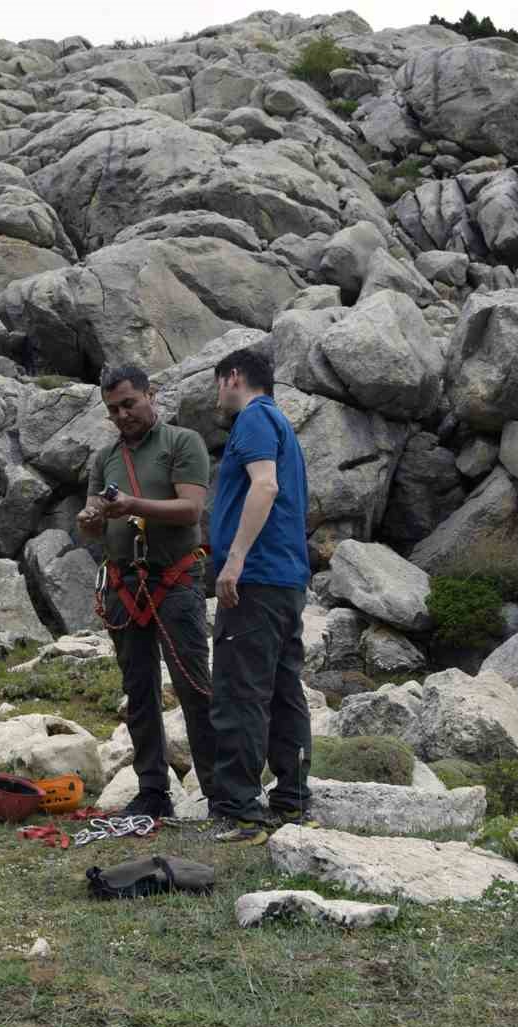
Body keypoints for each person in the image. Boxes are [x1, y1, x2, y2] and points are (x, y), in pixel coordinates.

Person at [77, 365, 215, 818]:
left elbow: (191, 509)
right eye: (112, 409)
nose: (121, 415)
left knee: (193, 686)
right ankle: (153, 791)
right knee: (139, 691)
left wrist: (132, 506)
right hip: (124, 584)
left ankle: (221, 791)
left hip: (174, 581)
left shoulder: (182, 442)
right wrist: (94, 521)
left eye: (128, 404)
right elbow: (98, 524)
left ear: (150, 394)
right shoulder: (106, 458)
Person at [206, 342, 313, 845]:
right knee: (285, 691)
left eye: (217, 385)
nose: (217, 396)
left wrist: (235, 559)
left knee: (240, 691)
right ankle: (291, 799)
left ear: (232, 377)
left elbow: (264, 487)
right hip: (288, 580)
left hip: (257, 579)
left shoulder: (251, 420)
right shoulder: (282, 424)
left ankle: (240, 810)